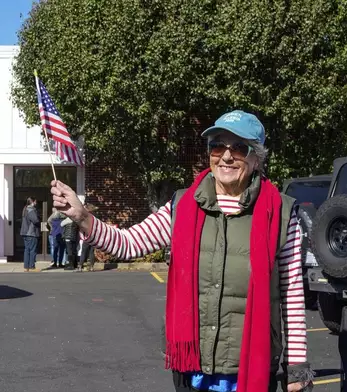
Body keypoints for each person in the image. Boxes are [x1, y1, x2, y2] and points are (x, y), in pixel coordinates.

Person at [50, 110, 314, 392]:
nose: (226, 156)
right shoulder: (181, 207)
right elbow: (128, 243)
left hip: (251, 368)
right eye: (217, 145)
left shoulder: (282, 214)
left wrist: (297, 369)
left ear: (257, 157)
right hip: (193, 369)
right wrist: (82, 216)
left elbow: (292, 293)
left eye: (238, 147)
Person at [20, 197, 40, 272]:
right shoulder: (31, 210)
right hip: (31, 233)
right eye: (35, 202)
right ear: (33, 202)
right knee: (32, 250)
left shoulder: (25, 210)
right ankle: (32, 266)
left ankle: (26, 266)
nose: (36, 203)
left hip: (25, 232)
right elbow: (35, 220)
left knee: (27, 250)